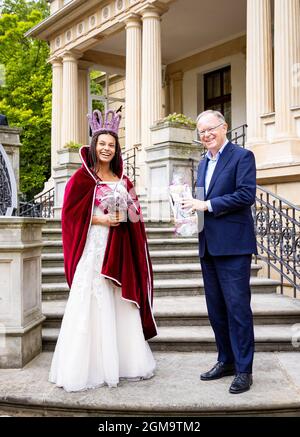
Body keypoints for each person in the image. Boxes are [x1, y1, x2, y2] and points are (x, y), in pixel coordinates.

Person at [49, 109, 157, 392]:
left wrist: (128, 217)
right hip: (93, 246)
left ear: (116, 149)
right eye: (102, 144)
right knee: (91, 299)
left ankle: (123, 362)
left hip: (118, 248)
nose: (107, 148)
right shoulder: (81, 180)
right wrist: (99, 219)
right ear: (94, 146)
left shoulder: (124, 182)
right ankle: (88, 365)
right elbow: (70, 216)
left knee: (117, 301)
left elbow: (136, 217)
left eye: (112, 145)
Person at [182, 110, 257, 394]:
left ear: (224, 127)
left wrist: (207, 206)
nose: (206, 135)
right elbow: (201, 200)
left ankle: (243, 370)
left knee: (238, 310)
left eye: (210, 129)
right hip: (208, 244)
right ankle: (225, 360)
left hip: (234, 245)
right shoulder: (202, 163)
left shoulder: (242, 156)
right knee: (216, 310)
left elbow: (246, 194)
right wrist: (189, 211)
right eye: (201, 132)